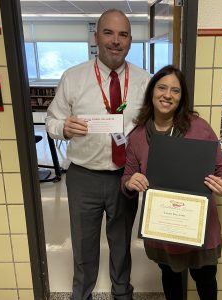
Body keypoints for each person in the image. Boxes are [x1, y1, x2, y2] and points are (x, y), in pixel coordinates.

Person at [46, 9, 150, 300]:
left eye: (123, 34)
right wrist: (63, 128)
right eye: (108, 33)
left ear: (130, 40)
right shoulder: (73, 77)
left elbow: (154, 125)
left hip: (125, 178)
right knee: (83, 245)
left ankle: (121, 293)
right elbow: (52, 121)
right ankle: (82, 294)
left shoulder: (144, 80)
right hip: (83, 177)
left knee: (120, 244)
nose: (115, 41)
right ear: (96, 37)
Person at [121, 65, 222, 300]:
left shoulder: (200, 128)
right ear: (151, 92)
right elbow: (127, 177)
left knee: (205, 280)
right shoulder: (137, 136)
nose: (167, 95)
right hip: (163, 227)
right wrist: (129, 183)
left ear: (182, 97)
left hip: (199, 228)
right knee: (171, 279)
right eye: (162, 87)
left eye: (175, 91)